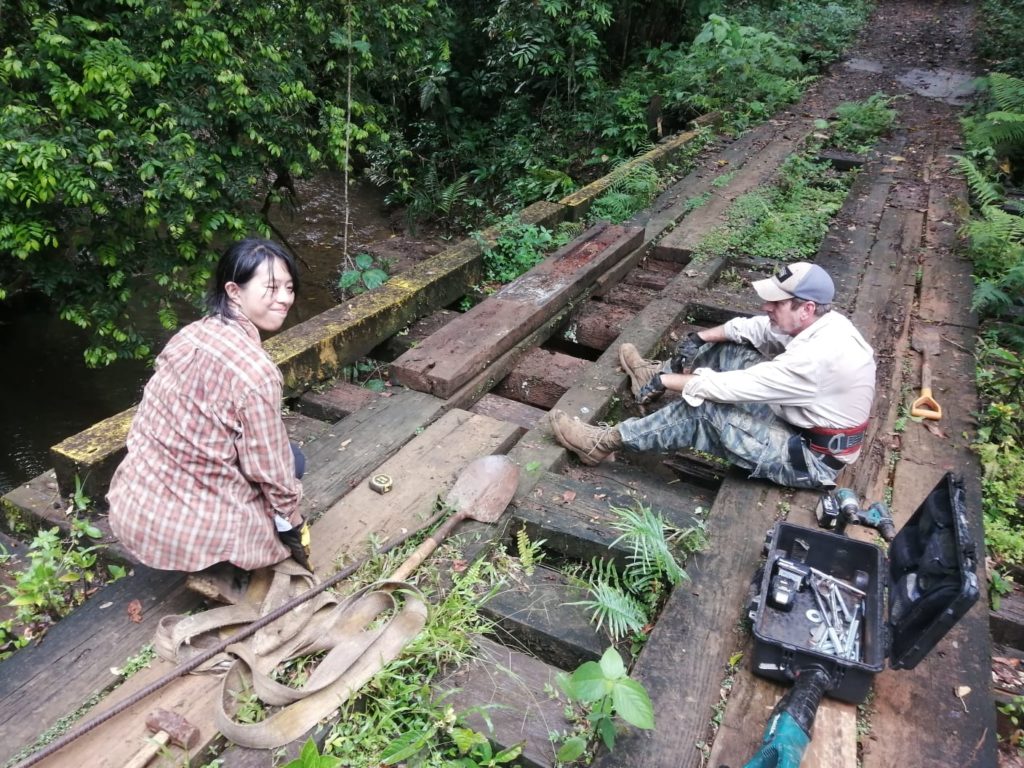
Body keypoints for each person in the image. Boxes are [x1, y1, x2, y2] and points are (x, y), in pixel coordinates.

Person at [548, 262, 876, 489]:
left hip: (808, 459)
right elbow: (754, 328)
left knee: (704, 410)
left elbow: (728, 388)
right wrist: (699, 338)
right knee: (731, 349)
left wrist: (670, 383)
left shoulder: (818, 359)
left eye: (777, 303)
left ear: (805, 308)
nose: (767, 307)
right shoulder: (819, 322)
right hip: (800, 421)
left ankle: (604, 443)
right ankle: (652, 373)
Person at [107, 238, 311, 601]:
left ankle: (205, 548)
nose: (284, 298)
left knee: (280, 459)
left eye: (289, 288)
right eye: (271, 288)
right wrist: (291, 525)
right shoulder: (257, 372)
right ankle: (218, 565)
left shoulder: (189, 335)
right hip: (189, 525)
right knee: (293, 462)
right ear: (233, 291)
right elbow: (271, 467)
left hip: (133, 507)